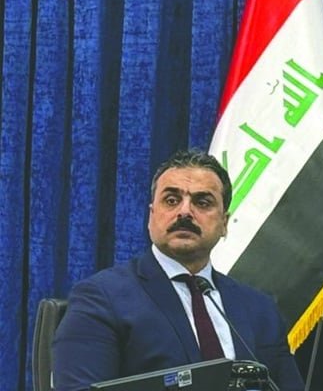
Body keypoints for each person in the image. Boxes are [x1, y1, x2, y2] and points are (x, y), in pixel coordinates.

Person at [53, 150, 305, 391]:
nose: (185, 211)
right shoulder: (101, 298)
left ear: (224, 223)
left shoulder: (260, 309)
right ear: (151, 216)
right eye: (171, 200)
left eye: (202, 202)